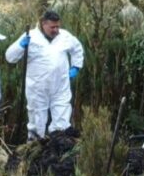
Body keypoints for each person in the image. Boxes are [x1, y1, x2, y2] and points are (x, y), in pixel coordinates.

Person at [5, 10, 84, 140]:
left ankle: (59, 145)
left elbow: (77, 49)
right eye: (52, 27)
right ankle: (34, 148)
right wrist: (20, 46)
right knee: (37, 120)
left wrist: (76, 66)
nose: (56, 30)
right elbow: (10, 57)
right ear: (43, 24)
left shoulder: (64, 36)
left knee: (62, 117)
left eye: (58, 26)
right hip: (37, 88)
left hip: (60, 85)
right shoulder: (31, 37)